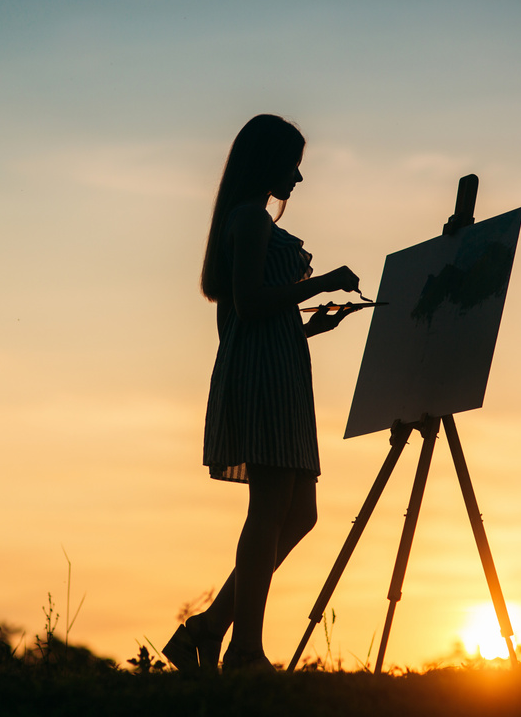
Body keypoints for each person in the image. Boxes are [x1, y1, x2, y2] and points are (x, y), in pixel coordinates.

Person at [163, 114, 361, 672]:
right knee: (272, 508)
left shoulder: (248, 219)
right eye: (292, 163)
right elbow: (248, 304)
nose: (297, 177)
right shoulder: (249, 218)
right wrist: (318, 283)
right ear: (266, 161)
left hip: (279, 368)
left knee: (299, 512)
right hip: (264, 377)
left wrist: (307, 326)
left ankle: (206, 629)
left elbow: (251, 315)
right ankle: (245, 650)